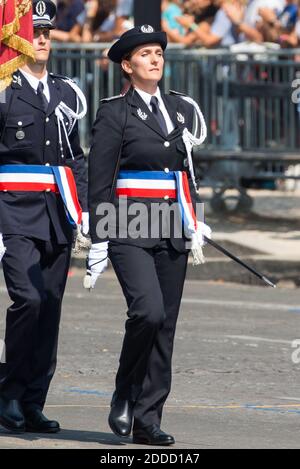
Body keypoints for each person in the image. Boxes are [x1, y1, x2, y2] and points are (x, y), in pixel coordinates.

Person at [86, 25, 211, 445]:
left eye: (158, 52)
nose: (155, 59)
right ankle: (125, 391)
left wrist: (196, 219)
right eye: (145, 54)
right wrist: (99, 237)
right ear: (127, 65)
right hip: (129, 225)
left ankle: (148, 417)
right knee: (148, 312)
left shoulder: (179, 109)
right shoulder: (115, 112)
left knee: (165, 326)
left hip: (172, 225)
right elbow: (100, 178)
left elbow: (187, 173)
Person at [0, 0, 88, 434]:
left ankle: (34, 399)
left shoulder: (67, 92)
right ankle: (10, 392)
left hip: (58, 212)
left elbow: (75, 157)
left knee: (50, 308)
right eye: (33, 31)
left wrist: (88, 211)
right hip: (13, 210)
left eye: (46, 32)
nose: (40, 39)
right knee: (28, 299)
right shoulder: (1, 88)